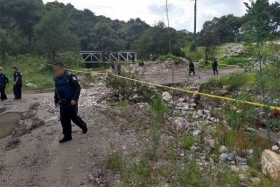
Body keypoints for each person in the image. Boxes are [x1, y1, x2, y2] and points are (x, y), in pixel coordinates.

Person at [53, 62, 88, 143]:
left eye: (57, 70)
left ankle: (83, 126)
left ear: (62, 69)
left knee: (73, 117)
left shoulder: (70, 76)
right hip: (62, 101)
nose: (56, 72)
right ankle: (67, 136)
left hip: (71, 101)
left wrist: (75, 99)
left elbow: (77, 87)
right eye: (55, 71)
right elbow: (56, 90)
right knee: (63, 119)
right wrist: (56, 100)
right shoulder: (57, 78)